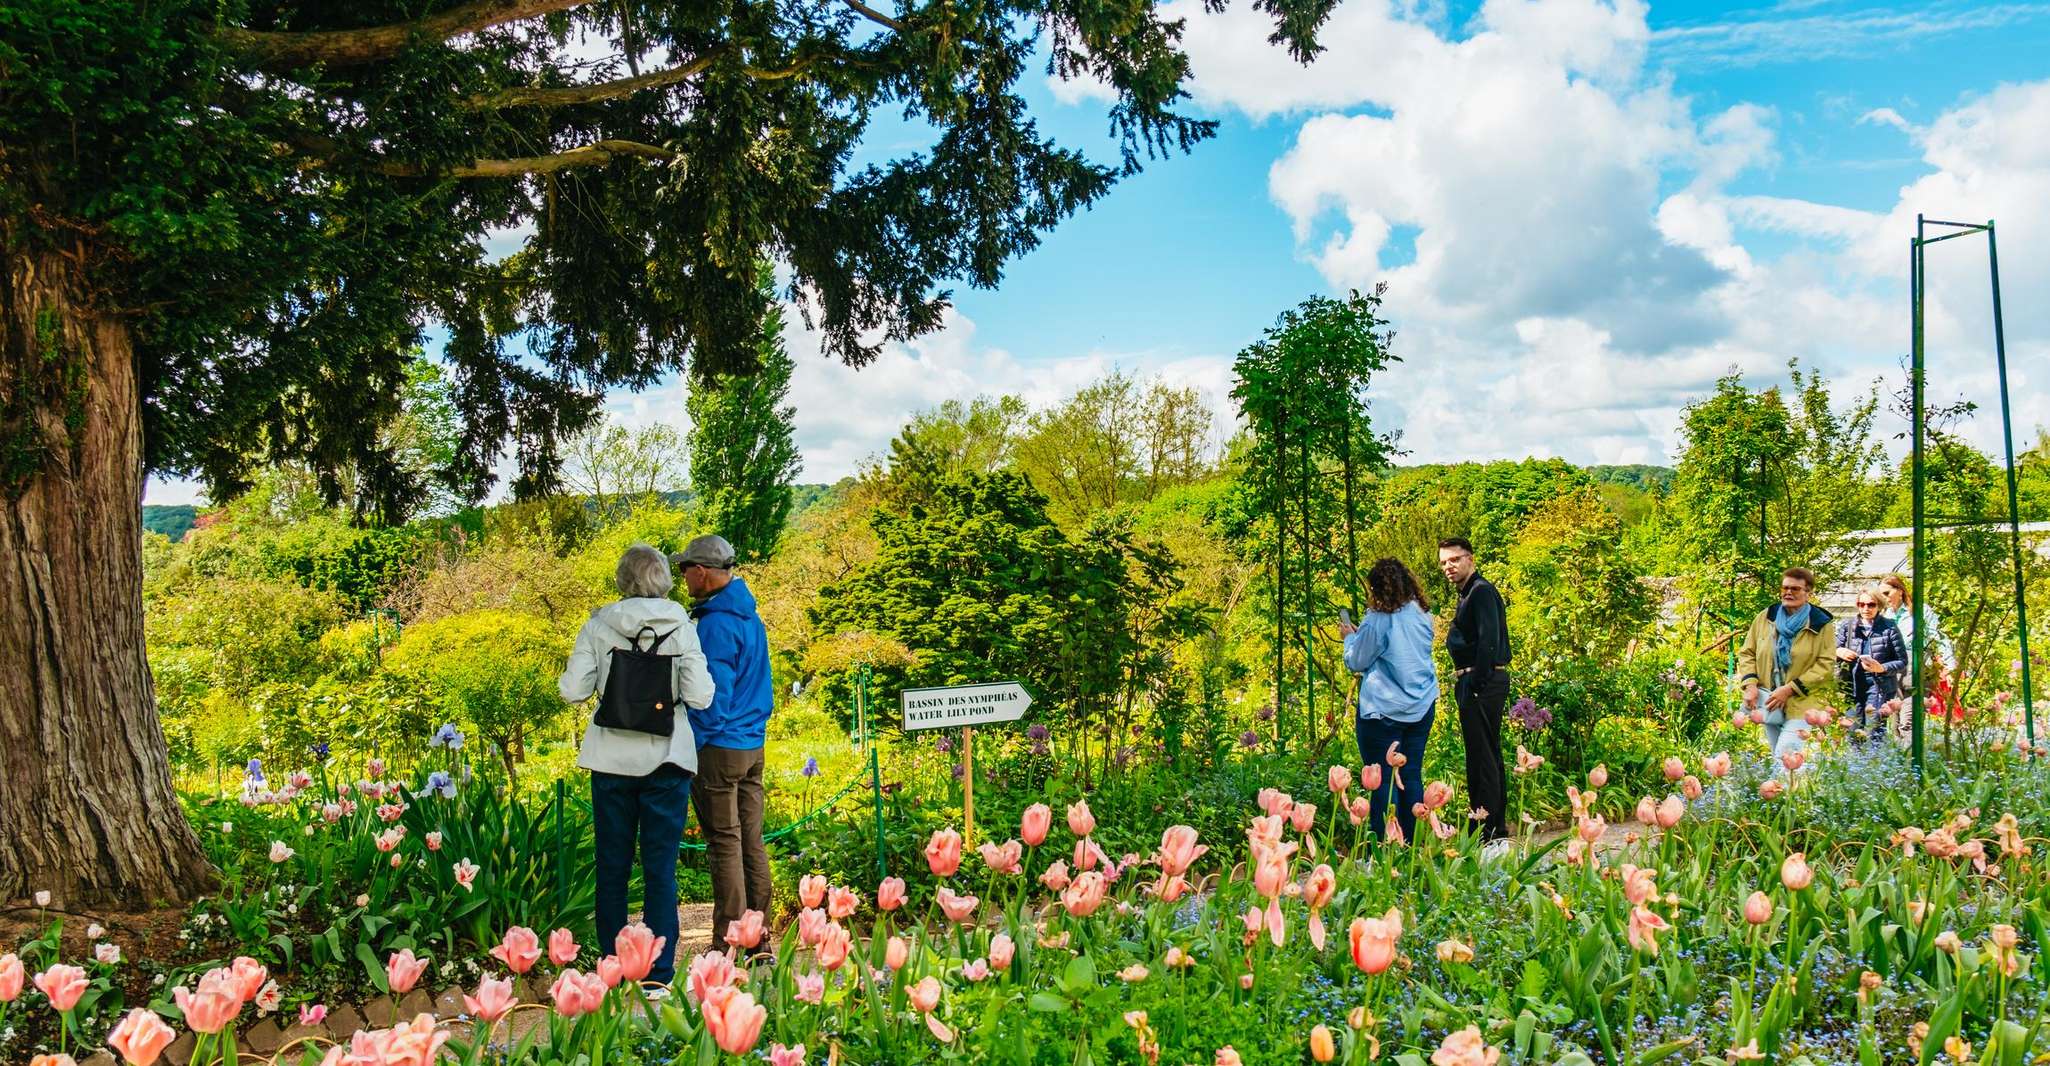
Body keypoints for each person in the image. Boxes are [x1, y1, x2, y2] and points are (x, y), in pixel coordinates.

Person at [559, 543, 714, 988]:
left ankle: (611, 969)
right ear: (664, 579)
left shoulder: (598, 625)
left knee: (613, 866)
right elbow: (702, 696)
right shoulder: (683, 628)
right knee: (660, 868)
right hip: (667, 758)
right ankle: (657, 977)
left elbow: (573, 690)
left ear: (621, 579)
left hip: (610, 760)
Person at [672, 535, 776, 951]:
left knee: (725, 844)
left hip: (720, 746)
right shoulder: (750, 617)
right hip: (753, 744)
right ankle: (759, 942)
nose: (683, 577)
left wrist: (688, 746)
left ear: (701, 571)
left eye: (685, 570)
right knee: (751, 840)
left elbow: (714, 698)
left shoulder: (714, 624)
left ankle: (728, 942)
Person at [1340, 558, 1439, 844]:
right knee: (1411, 776)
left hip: (1382, 713)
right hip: (1421, 706)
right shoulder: (1422, 613)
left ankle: (1384, 851)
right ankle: (1411, 847)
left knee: (1381, 781)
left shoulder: (1377, 620)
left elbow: (1357, 661)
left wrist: (1350, 639)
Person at [1439, 536, 1510, 842]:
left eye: (1454, 560)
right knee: (1485, 755)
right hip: (1478, 681)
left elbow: (1489, 640)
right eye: (1443, 563)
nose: (1448, 567)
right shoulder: (1468, 594)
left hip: (1482, 682)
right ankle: (1490, 824)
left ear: (1470, 558)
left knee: (1482, 757)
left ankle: (1487, 828)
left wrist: (1476, 684)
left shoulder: (1480, 592)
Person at [1735, 567, 1835, 760]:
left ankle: (1782, 789)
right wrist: (1750, 685)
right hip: (1770, 700)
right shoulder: (1766, 617)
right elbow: (1747, 652)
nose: (1788, 592)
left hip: (1803, 702)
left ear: (1808, 593)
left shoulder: (1820, 623)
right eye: (1785, 588)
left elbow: (1826, 665)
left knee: (1786, 755)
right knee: (1778, 757)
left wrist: (1789, 689)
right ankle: (1791, 790)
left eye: (1795, 589)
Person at [1878, 573, 1954, 746]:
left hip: (1917, 668)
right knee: (1896, 721)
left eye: (1887, 593)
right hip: (1894, 670)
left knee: (1909, 719)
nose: (1884, 598)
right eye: (1881, 594)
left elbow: (1938, 637)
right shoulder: (1885, 616)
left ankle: (1913, 762)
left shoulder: (1919, 611)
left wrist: (1950, 666)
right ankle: (1900, 764)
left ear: (1900, 591)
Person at [1835, 586, 1906, 739]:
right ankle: (1856, 762)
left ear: (1879, 606)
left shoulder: (1889, 627)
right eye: (1862, 604)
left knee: (1874, 729)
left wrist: (1882, 668)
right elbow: (1831, 650)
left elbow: (1902, 661)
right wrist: (1839, 652)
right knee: (1853, 729)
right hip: (1852, 684)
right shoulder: (1848, 626)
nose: (1866, 608)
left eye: (1871, 605)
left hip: (1879, 685)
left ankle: (1876, 760)